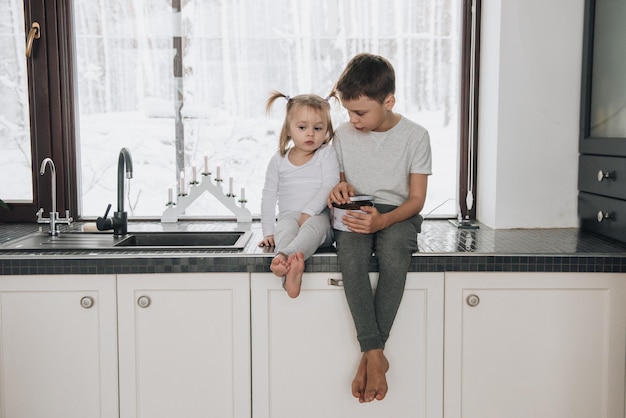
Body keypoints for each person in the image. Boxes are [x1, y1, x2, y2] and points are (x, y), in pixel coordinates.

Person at [327, 53, 432, 403]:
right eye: (348, 112)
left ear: (388, 102)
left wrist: (384, 220)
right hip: (357, 211)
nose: (352, 120)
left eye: (360, 113)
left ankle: (370, 354)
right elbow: (337, 182)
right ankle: (376, 356)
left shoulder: (416, 136)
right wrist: (338, 188)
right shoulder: (342, 135)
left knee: (392, 254)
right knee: (351, 258)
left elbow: (417, 200)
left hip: (398, 213)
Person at [259, 91, 340, 298]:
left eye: (318, 128)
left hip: (319, 218)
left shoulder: (326, 154)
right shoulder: (279, 159)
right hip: (289, 216)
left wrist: (309, 212)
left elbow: (330, 184)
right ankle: (291, 272)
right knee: (285, 228)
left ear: (327, 130)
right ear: (288, 129)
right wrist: (268, 232)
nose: (310, 134)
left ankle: (283, 257)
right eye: (302, 128)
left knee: (315, 226)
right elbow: (269, 195)